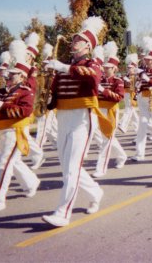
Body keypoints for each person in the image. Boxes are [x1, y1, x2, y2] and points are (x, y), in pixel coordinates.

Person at [41, 17, 107, 227]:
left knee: (71, 168)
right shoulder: (65, 67)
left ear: (88, 45)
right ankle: (95, 191)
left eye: (78, 40)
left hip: (81, 119)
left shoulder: (92, 63)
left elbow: (93, 79)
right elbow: (55, 93)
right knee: (67, 167)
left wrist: (63, 68)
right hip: (63, 118)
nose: (73, 42)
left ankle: (63, 212)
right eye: (74, 40)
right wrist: (47, 102)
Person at [0, 45, 40, 214]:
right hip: (0, 131)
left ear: (22, 76)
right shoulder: (1, 91)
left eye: (14, 73)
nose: (9, 75)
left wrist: (3, 106)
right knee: (12, 162)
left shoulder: (25, 91)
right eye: (10, 72)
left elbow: (25, 111)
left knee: (3, 164)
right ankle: (31, 183)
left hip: (15, 132)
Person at [93, 41, 127, 178]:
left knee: (107, 140)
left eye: (108, 68)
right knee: (107, 138)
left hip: (111, 111)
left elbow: (118, 97)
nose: (105, 70)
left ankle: (101, 168)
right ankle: (122, 155)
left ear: (114, 69)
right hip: (100, 110)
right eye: (105, 67)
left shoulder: (118, 81)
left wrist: (103, 90)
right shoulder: (100, 79)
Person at [132, 36, 152, 161]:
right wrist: (138, 84)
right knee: (142, 126)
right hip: (143, 98)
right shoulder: (143, 70)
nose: (147, 61)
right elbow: (139, 84)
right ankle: (140, 154)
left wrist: (146, 78)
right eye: (146, 59)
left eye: (150, 60)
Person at [21, 33, 46, 170]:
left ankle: (38, 154)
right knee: (20, 133)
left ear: (31, 56)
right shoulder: (22, 67)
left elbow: (32, 85)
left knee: (23, 133)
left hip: (28, 102)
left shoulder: (33, 69)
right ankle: (36, 155)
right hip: (19, 101)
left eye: (26, 54)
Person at [119, 53, 140, 134]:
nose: (129, 69)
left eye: (130, 68)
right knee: (132, 111)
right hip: (126, 94)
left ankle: (123, 125)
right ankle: (138, 127)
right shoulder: (127, 75)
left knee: (129, 109)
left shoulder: (136, 76)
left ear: (134, 68)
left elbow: (134, 86)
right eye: (128, 68)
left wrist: (127, 80)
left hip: (132, 94)